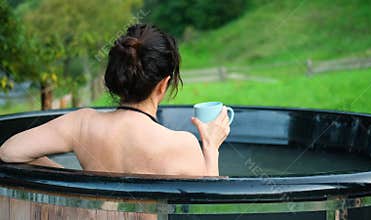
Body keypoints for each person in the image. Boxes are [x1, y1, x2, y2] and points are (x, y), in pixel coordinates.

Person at [0, 24, 230, 176]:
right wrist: (211, 148)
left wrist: (74, 186)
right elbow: (205, 208)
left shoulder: (81, 124)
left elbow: (9, 152)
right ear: (163, 84)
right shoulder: (181, 145)